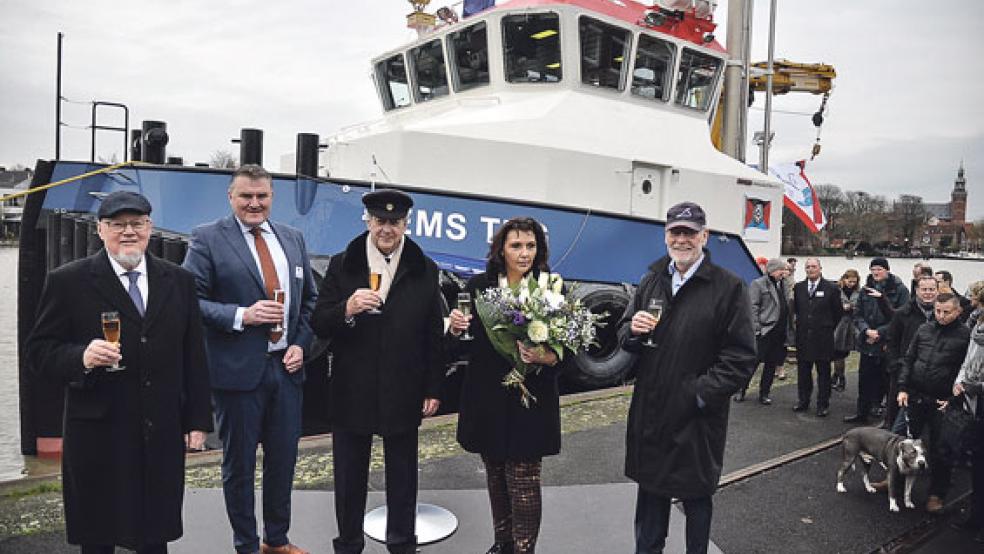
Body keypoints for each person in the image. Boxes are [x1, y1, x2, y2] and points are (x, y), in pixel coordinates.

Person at [27, 191, 212, 554]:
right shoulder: (68, 281)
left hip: (159, 430)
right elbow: (38, 352)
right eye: (117, 224)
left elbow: (194, 356)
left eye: (136, 223)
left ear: (150, 227)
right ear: (100, 230)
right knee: (98, 537)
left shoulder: (178, 280)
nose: (128, 231)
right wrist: (81, 356)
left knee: (154, 536)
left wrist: (198, 421)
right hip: (98, 432)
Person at [183, 165, 317, 554]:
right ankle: (246, 545)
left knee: (283, 462)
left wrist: (301, 345)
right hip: (237, 373)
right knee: (239, 467)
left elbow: (310, 300)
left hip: (286, 371)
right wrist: (243, 315)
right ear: (231, 197)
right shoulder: (207, 238)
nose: (254, 203)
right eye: (246, 196)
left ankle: (277, 540)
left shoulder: (292, 238)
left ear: (272, 197)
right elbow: (190, 301)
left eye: (262, 196)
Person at [311, 189, 445, 554]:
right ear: (368, 221)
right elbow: (319, 322)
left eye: (394, 222)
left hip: (404, 386)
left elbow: (433, 333)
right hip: (352, 387)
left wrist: (433, 387)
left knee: (403, 476)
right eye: (380, 221)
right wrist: (347, 308)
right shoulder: (343, 264)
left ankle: (402, 544)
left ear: (406, 224)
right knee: (349, 477)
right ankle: (348, 544)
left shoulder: (424, 268)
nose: (387, 229)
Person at [619, 201, 756, 554]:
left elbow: (741, 357)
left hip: (696, 416)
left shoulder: (729, 287)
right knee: (651, 495)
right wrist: (632, 330)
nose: (682, 239)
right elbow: (624, 334)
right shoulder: (651, 280)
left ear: (704, 236)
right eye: (675, 232)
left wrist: (698, 394)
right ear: (665, 236)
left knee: (696, 497)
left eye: (689, 233)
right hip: (652, 410)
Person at [447, 217, 561, 554]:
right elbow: (458, 347)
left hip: (531, 400)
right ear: (501, 249)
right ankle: (503, 544)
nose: (524, 253)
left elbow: (567, 350)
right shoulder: (478, 286)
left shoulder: (551, 289)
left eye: (531, 246)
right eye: (516, 246)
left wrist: (545, 356)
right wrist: (454, 328)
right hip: (488, 397)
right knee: (495, 474)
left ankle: (524, 548)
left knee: (524, 480)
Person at [896, 293, 970, 513]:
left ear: (958, 311)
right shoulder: (924, 329)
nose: (941, 315)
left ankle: (937, 493)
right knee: (904, 440)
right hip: (916, 395)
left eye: (947, 312)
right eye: (938, 310)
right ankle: (895, 482)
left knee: (941, 449)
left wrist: (954, 399)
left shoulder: (965, 336)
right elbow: (909, 359)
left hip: (943, 401)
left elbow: (967, 371)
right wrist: (903, 387)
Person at [845, 258, 908, 424]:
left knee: (886, 382)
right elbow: (857, 314)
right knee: (865, 380)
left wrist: (879, 333)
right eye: (873, 269)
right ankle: (861, 413)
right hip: (867, 341)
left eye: (879, 269)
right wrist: (866, 331)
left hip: (887, 343)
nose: (875, 272)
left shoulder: (900, 290)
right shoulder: (865, 290)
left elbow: (901, 317)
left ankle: (887, 417)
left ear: (887, 270)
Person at [884, 275, 938, 432]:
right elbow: (892, 342)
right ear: (917, 290)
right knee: (897, 412)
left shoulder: (942, 314)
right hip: (904, 371)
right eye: (924, 289)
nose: (928, 293)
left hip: (931, 374)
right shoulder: (902, 314)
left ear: (937, 291)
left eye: (931, 289)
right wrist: (895, 365)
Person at [951, 286, 984, 543]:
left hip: (979, 392)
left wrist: (977, 386)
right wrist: (960, 381)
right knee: (978, 463)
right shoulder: (977, 327)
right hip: (975, 402)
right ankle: (976, 516)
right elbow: (967, 360)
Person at [791, 258, 843, 417]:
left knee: (824, 373)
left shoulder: (831, 288)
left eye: (814, 266)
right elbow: (797, 310)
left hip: (823, 338)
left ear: (820, 268)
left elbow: (838, 312)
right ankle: (803, 401)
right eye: (807, 267)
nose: (810, 269)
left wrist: (826, 326)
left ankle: (822, 404)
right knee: (803, 372)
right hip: (804, 338)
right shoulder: (799, 287)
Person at [735, 257, 788, 405]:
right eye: (781, 270)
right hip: (764, 331)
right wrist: (757, 328)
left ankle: (764, 393)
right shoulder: (758, 284)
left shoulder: (782, 284)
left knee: (771, 365)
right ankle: (741, 390)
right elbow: (752, 307)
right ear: (772, 270)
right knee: (752, 363)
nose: (783, 273)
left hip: (778, 333)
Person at [831, 269, 861, 392]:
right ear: (844, 279)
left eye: (854, 282)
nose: (851, 284)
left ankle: (838, 376)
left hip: (849, 326)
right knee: (837, 353)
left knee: (842, 353)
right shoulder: (836, 290)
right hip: (837, 324)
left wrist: (853, 307)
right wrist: (841, 307)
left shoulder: (858, 292)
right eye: (849, 281)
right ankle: (839, 377)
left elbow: (860, 308)